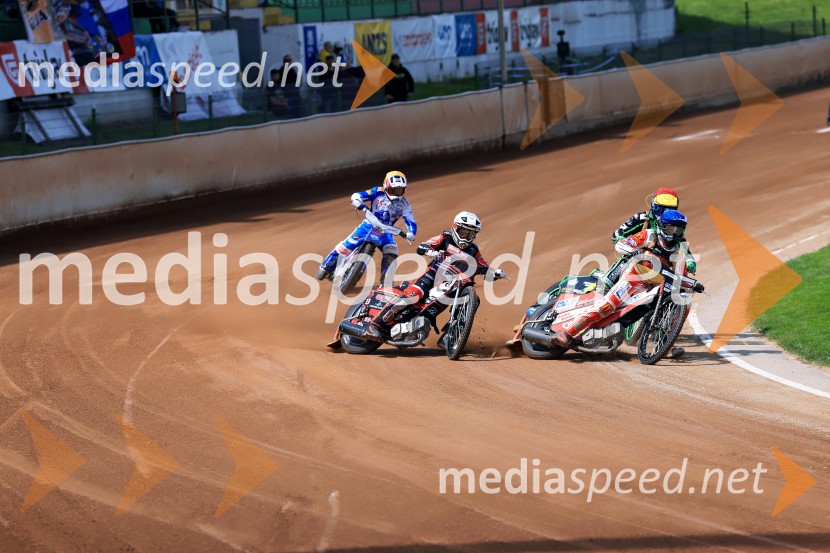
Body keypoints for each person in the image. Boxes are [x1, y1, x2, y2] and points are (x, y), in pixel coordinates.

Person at [553, 210, 692, 347]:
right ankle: (567, 332)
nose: (674, 233)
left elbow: (681, 277)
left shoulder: (679, 251)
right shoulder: (650, 236)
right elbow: (622, 244)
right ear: (662, 226)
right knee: (608, 305)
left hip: (654, 288)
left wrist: (693, 285)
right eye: (671, 228)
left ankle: (666, 345)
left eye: (678, 230)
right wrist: (633, 250)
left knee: (668, 307)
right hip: (633, 278)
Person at [376, 211, 504, 347]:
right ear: (455, 228)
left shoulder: (473, 250)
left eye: (470, 233)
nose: (466, 236)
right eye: (463, 232)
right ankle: (376, 324)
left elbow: (484, 267)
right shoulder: (445, 238)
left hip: (451, 286)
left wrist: (495, 273)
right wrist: (429, 250)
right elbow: (424, 246)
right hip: (433, 275)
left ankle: (449, 336)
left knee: (473, 300)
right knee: (413, 295)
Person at [317, 171, 417, 283]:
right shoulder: (377, 191)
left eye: (399, 190)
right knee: (345, 246)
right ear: (386, 187)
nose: (396, 194)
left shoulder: (405, 204)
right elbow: (359, 195)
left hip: (386, 233)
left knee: (392, 252)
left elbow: (410, 220)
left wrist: (411, 233)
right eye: (394, 190)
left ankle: (386, 282)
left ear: (404, 190)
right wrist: (357, 201)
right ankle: (325, 267)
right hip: (368, 225)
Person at [605, 188, 695, 284]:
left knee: (679, 266)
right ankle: (605, 283)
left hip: (660, 264)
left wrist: (690, 259)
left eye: (670, 209)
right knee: (627, 258)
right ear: (654, 206)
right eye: (662, 209)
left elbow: (680, 242)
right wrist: (625, 243)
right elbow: (617, 234)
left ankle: (675, 294)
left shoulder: (674, 225)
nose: (665, 213)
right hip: (637, 258)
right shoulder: (642, 218)